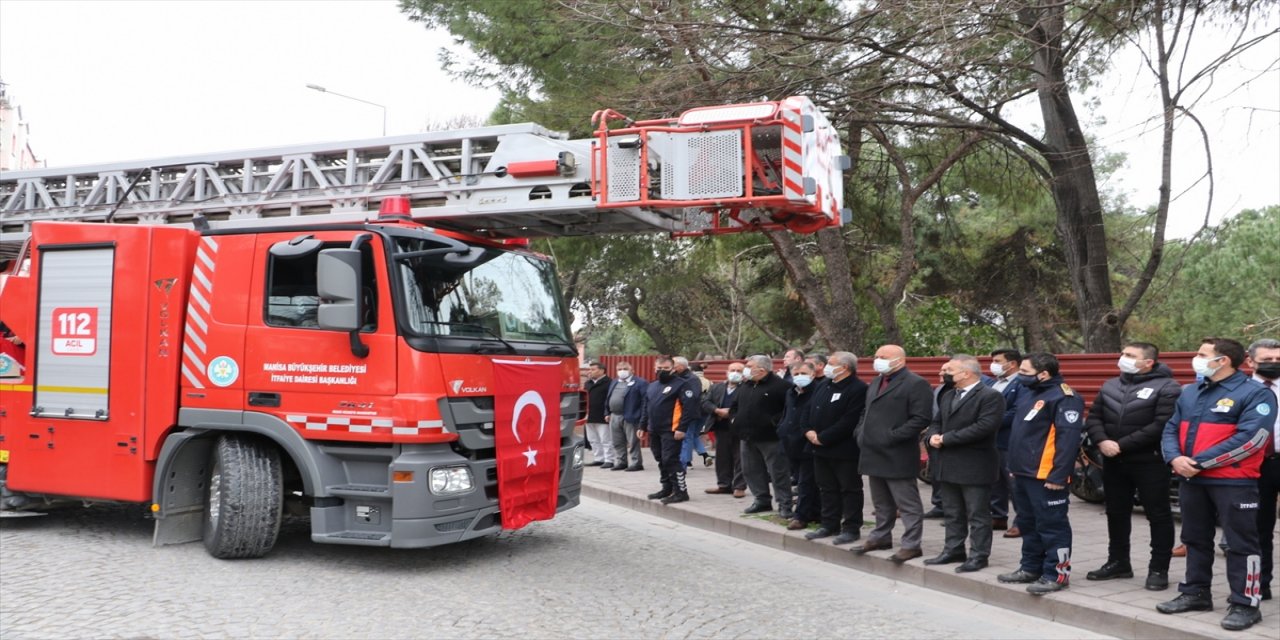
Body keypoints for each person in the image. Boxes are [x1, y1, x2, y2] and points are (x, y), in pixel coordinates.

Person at [1156, 338, 1275, 631]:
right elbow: (1171, 428)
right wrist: (1174, 458)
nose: (1196, 358)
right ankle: (1195, 592)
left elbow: (1252, 439)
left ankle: (1246, 603)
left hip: (1233, 481)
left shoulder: (1255, 394)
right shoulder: (1191, 391)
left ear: (1223, 360)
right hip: (1192, 480)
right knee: (1194, 538)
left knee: (1241, 544)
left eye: (1202, 354)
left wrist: (1197, 462)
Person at [1083, 342, 1181, 591]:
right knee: (1116, 512)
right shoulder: (1111, 385)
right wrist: (1103, 441)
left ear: (1148, 362)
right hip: (1114, 462)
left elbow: (1161, 424)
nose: (1122, 358)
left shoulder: (1168, 387)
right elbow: (1094, 417)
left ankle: (1158, 569)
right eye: (1123, 353)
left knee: (1158, 515)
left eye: (1129, 355)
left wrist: (1121, 444)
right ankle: (1118, 562)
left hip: (1150, 461)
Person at [997, 352, 1085, 596]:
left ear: (1043, 374)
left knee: (1052, 526)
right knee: (1027, 523)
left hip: (1046, 476)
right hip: (1022, 472)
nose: (1020, 376)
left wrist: (1058, 476)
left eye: (1024, 372)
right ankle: (1030, 567)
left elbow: (1067, 442)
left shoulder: (1065, 397)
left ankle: (1057, 573)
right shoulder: (1030, 393)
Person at [924, 354, 1005, 573]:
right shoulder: (949, 394)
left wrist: (946, 439)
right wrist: (932, 436)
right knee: (952, 511)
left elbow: (984, 426)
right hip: (947, 463)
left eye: (949, 370)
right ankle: (953, 549)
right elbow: (936, 422)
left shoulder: (990, 396)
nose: (944, 374)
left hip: (975, 464)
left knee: (977, 514)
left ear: (966, 373)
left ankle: (978, 555)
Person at [854, 345, 933, 564]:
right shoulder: (877, 381)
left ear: (899, 360)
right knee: (881, 502)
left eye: (883, 357)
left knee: (907, 503)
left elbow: (921, 418)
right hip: (872, 451)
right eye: (876, 356)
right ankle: (880, 536)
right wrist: (860, 432)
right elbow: (866, 410)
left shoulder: (916, 384)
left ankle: (911, 545)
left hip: (897, 452)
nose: (877, 360)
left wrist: (892, 436)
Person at [805, 351, 869, 545]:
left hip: (843, 449)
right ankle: (829, 524)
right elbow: (810, 409)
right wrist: (808, 431)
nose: (826, 367)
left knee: (849, 489)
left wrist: (823, 437)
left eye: (831, 364)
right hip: (818, 447)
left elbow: (849, 420)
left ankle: (851, 527)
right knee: (826, 488)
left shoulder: (857, 388)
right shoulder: (824, 384)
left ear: (845, 367)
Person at [733, 354, 793, 518]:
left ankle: (784, 504)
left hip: (771, 438)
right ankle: (762, 500)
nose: (746, 369)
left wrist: (773, 423)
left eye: (749, 366)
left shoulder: (782, 386)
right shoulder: (746, 385)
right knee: (751, 470)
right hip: (747, 436)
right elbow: (735, 405)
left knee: (778, 472)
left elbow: (788, 410)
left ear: (762, 369)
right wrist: (735, 420)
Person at [638, 356, 703, 505]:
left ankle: (681, 491)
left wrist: (682, 428)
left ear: (673, 369)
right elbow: (646, 407)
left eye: (666, 369)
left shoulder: (682, 384)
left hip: (672, 430)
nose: (662, 371)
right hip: (655, 429)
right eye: (659, 368)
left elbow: (689, 408)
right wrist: (642, 426)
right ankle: (666, 488)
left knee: (670, 460)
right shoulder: (652, 385)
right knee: (660, 459)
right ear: (654, 368)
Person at [1245, 338, 1279, 602]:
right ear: (1250, 361)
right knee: (1258, 527)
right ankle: (1260, 584)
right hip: (1254, 464)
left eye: (1278, 360)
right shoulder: (1238, 390)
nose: (1273, 364)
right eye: (1267, 360)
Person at [986, 348, 1027, 537]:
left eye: (997, 360)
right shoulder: (996, 384)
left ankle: (1022, 521)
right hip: (992, 440)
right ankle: (998, 515)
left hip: (1009, 439)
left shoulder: (1021, 383)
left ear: (1012, 364)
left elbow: (1017, 411)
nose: (993, 364)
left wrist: (988, 423)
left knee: (1014, 484)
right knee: (995, 481)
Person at [779, 361, 821, 530]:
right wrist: (781, 429)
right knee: (801, 481)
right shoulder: (791, 392)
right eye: (796, 374)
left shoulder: (818, 391)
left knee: (806, 482)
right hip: (790, 443)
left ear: (812, 374)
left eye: (803, 373)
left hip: (807, 443)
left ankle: (801, 516)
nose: (799, 377)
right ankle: (814, 512)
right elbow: (786, 413)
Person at [704, 362, 748, 497]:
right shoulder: (717, 387)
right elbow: (705, 402)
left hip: (740, 428)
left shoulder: (747, 388)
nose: (735, 373)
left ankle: (739, 486)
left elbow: (750, 406)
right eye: (732, 370)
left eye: (739, 371)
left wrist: (731, 412)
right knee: (722, 458)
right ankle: (724, 485)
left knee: (740, 458)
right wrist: (716, 410)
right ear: (727, 372)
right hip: (721, 427)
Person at [606, 362, 647, 471]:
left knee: (633, 441)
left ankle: (636, 463)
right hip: (614, 415)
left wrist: (642, 417)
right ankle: (621, 461)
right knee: (617, 441)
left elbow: (645, 401)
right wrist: (607, 412)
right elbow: (608, 397)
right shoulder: (614, 382)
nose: (622, 371)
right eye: (619, 369)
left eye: (625, 368)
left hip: (631, 416)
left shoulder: (640, 383)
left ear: (632, 370)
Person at [679, 361, 714, 469]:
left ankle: (687, 462)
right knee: (694, 435)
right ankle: (704, 454)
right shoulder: (709, 382)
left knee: (688, 436)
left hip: (692, 412)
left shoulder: (690, 380)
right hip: (705, 412)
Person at [582, 361, 613, 467]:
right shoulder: (588, 383)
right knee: (593, 439)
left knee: (605, 439)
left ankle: (609, 460)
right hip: (589, 415)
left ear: (602, 370)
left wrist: (608, 412)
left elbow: (610, 399)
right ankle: (599, 458)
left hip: (602, 415)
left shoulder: (609, 382)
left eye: (593, 369)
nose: (590, 371)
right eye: (589, 369)